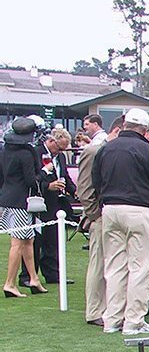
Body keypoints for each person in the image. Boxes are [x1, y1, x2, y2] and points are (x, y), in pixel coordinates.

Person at [94, 108, 149, 334]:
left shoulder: (106, 149)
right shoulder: (146, 150)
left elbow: (95, 181)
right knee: (141, 267)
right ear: (145, 129)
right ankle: (134, 320)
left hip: (110, 209)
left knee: (115, 266)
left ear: (125, 124)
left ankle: (112, 319)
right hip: (139, 210)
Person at [79, 115, 122, 324]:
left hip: (113, 216)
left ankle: (108, 308)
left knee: (112, 264)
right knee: (98, 264)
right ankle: (95, 311)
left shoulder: (113, 151)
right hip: (100, 216)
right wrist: (95, 215)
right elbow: (85, 189)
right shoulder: (93, 151)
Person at [20, 128, 76, 287]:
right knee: (34, 240)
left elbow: (64, 176)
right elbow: (31, 179)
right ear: (51, 141)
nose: (61, 152)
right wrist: (47, 186)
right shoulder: (36, 153)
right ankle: (27, 276)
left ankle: (52, 274)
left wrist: (74, 191)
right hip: (37, 202)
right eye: (59, 148)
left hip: (56, 203)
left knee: (53, 240)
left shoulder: (61, 157)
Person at [0, 117, 46, 298]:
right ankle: (9, 283)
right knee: (18, 242)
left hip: (8, 198)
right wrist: (43, 173)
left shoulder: (5, 150)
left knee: (28, 240)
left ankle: (34, 278)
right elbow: (31, 180)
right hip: (22, 202)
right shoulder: (26, 153)